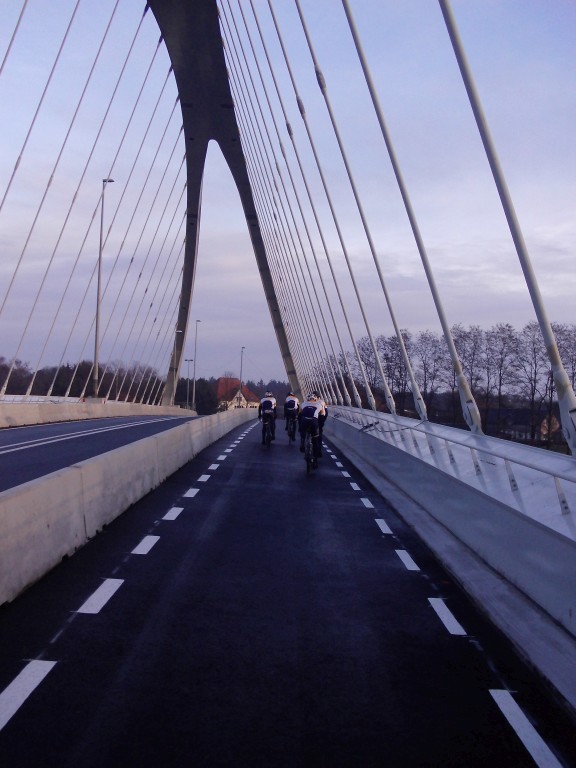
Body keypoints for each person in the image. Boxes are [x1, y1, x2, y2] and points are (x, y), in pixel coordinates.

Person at [298, 391, 326, 464]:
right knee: (315, 440)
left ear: (308, 399)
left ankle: (302, 443)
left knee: (303, 431)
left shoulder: (304, 404)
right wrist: (320, 425)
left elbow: (300, 414)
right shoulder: (319, 404)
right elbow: (322, 415)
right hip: (314, 422)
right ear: (316, 399)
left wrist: (300, 425)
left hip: (304, 421)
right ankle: (315, 461)